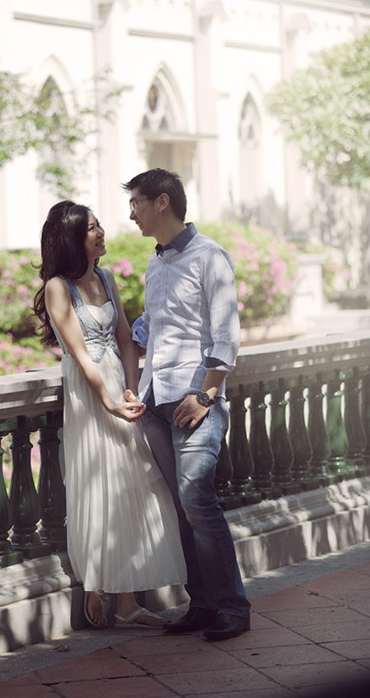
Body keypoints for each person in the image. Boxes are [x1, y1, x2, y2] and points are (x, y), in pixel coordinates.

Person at [33, 200, 186, 629]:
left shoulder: (106, 277)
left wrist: (131, 390)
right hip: (90, 395)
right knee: (99, 483)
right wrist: (108, 402)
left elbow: (124, 339)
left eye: (99, 225)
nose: (101, 233)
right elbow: (80, 355)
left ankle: (125, 602)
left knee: (133, 485)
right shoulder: (58, 288)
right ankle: (98, 585)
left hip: (118, 384)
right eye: (91, 228)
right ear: (72, 238)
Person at [123, 168, 251, 641]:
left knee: (198, 499)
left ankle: (233, 607)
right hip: (156, 400)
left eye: (136, 203)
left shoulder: (209, 256)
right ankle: (203, 603)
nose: (131, 215)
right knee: (181, 505)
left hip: (195, 401)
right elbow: (154, 328)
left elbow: (226, 334)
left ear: (162, 202)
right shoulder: (155, 264)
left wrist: (206, 394)